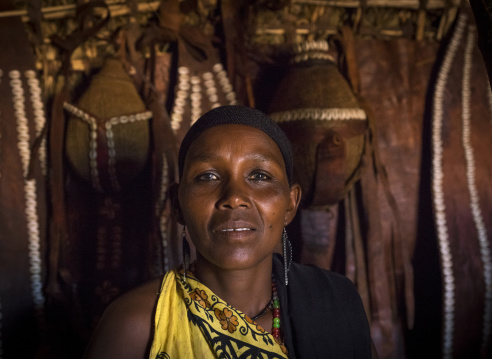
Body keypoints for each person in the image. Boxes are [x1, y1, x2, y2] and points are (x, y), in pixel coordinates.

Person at [83, 105, 374, 358]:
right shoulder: (136, 326)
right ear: (178, 205)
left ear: (290, 204)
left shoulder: (336, 303)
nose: (234, 197)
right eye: (208, 176)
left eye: (260, 176)